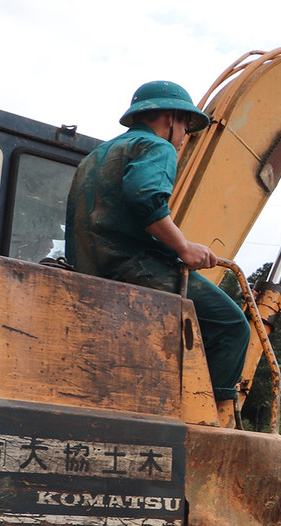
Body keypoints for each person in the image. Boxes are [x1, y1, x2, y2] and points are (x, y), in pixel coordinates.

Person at [66, 81, 251, 421]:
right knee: (231, 325)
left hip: (91, 266)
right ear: (170, 118)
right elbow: (144, 196)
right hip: (132, 266)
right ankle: (209, 420)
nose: (182, 139)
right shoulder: (156, 147)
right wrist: (183, 247)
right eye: (184, 128)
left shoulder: (96, 155)